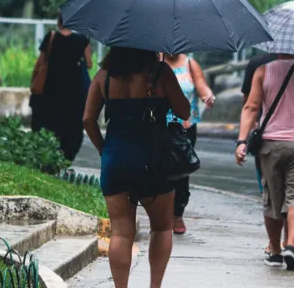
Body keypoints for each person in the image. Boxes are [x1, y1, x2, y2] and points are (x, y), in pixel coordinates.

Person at [83, 47, 190, 288]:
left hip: (117, 159)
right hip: (154, 160)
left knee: (121, 233)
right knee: (162, 228)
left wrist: (104, 150)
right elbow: (184, 111)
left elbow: (87, 119)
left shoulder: (104, 75)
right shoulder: (160, 72)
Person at [235, 53, 294, 271]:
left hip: (271, 144)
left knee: (273, 199)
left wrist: (242, 141)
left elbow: (251, 107)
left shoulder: (262, 70)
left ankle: (276, 252)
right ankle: (291, 245)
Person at [162, 53, 215, 235]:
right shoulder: (155, 61)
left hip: (185, 127)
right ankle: (161, 212)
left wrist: (208, 96)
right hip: (160, 125)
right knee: (159, 169)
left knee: (181, 170)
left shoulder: (190, 63)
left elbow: (202, 87)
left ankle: (178, 213)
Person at [29, 10, 92, 162]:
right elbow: (89, 64)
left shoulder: (51, 37)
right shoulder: (82, 40)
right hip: (73, 93)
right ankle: (66, 158)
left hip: (50, 91)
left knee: (49, 124)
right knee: (71, 128)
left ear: (58, 22)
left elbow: (40, 62)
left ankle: (48, 157)